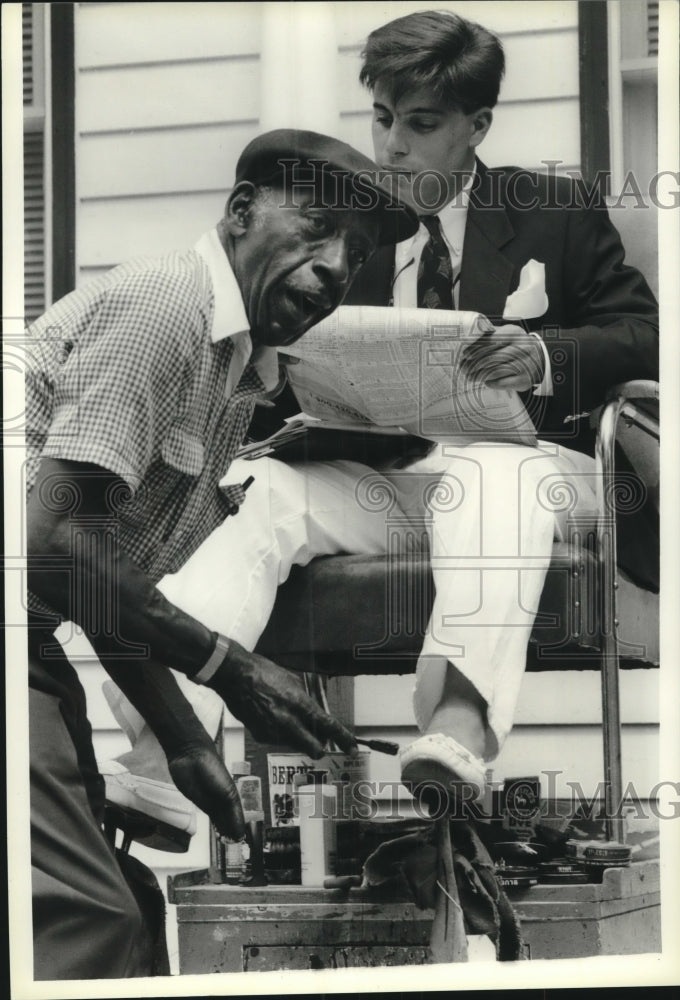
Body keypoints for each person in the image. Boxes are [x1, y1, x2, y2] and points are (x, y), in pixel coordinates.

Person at [101, 10, 658, 840]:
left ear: (477, 127)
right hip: (393, 479)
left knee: (490, 472)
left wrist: (542, 356)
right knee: (264, 488)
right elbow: (286, 381)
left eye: (422, 124)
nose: (394, 145)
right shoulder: (347, 236)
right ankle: (167, 752)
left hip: (538, 473)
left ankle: (459, 726)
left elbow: (642, 334)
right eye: (384, 118)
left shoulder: (555, 210)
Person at [24, 127, 417, 980]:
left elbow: (94, 576)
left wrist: (184, 743)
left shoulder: (240, 372)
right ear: (241, 212)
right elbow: (51, 542)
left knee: (128, 901)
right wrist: (227, 669)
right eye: (314, 229)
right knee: (88, 917)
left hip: (32, 642)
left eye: (351, 257)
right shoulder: (171, 307)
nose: (330, 271)